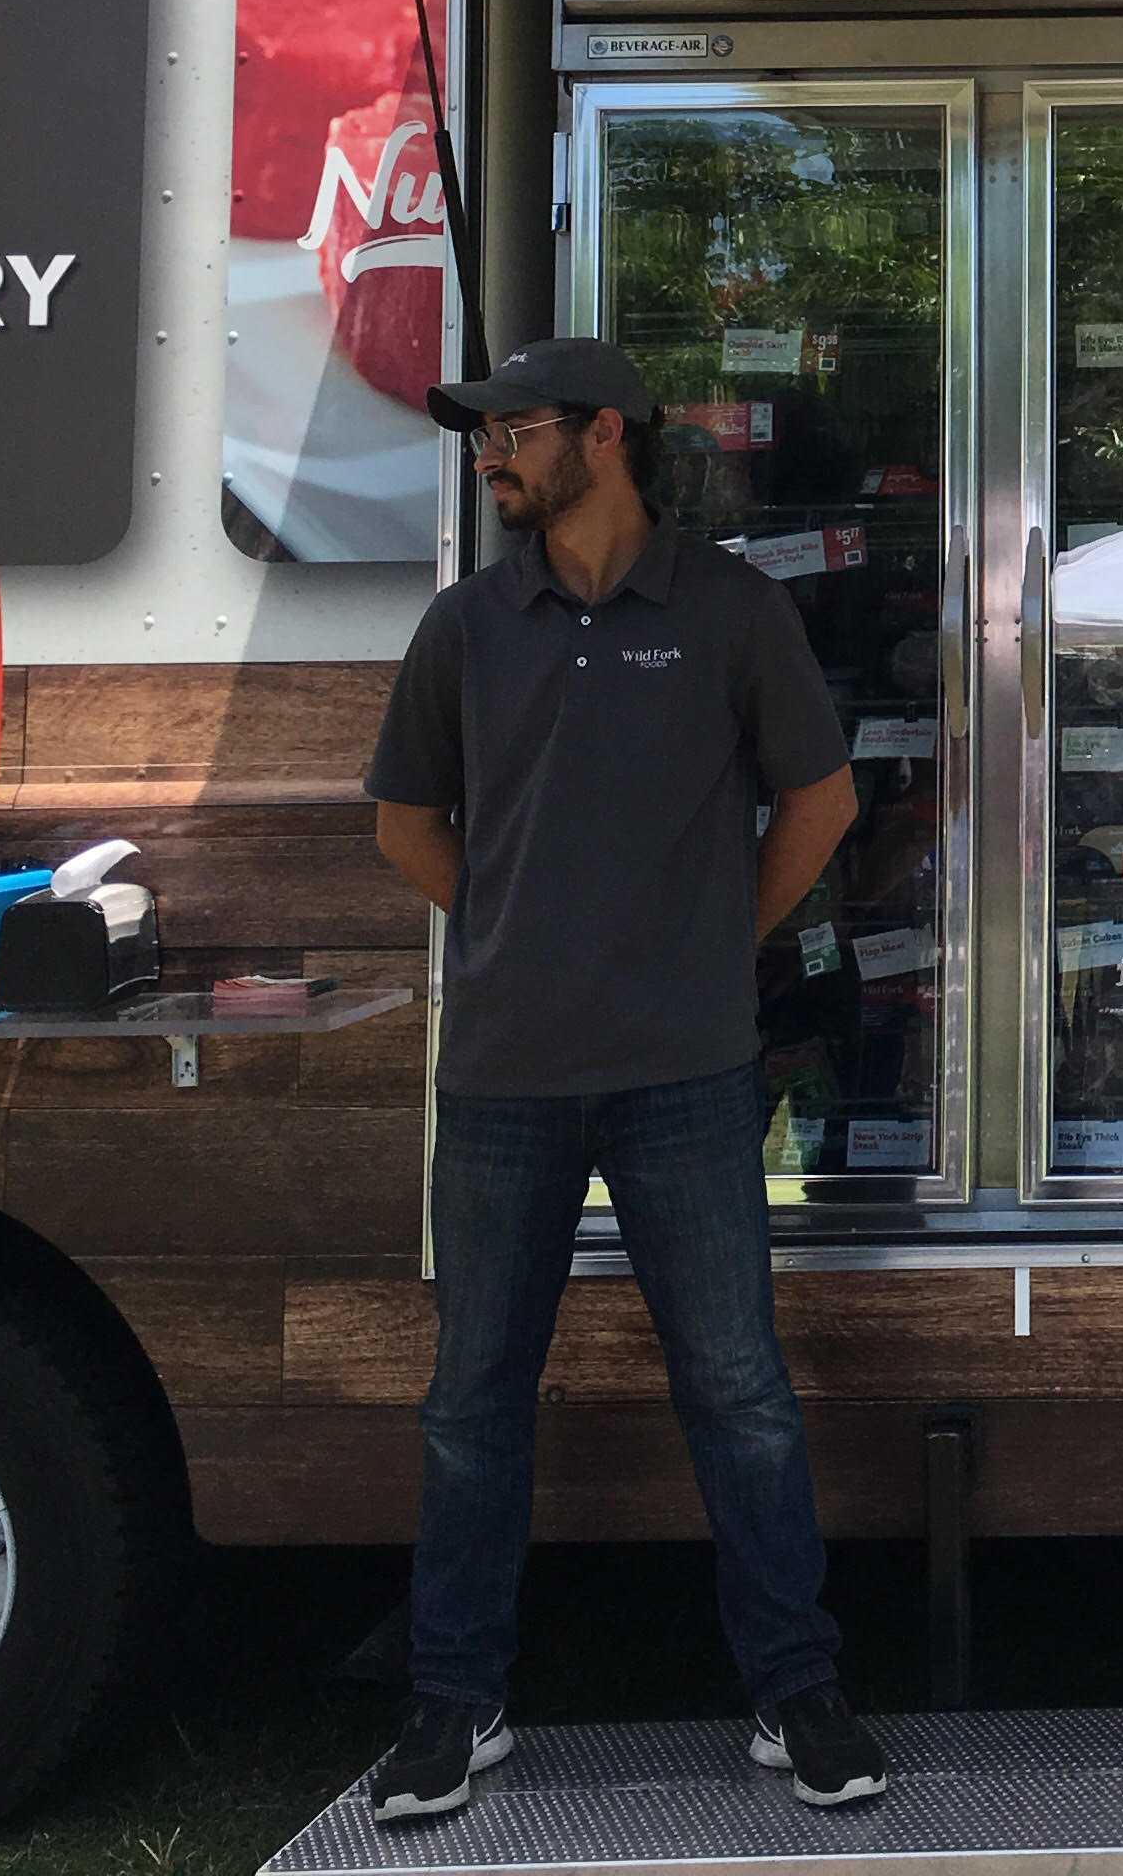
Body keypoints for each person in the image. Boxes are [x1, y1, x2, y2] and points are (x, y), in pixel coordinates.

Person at [358, 338, 887, 1824]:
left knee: (741, 1395)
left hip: (690, 1073)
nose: (490, 458)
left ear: (605, 436)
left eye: (514, 431)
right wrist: (529, 931)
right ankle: (456, 1707)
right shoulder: (468, 626)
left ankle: (797, 1695)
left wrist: (715, 939)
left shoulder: (729, 609)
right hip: (506, 1081)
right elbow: (406, 827)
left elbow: (826, 800)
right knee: (473, 1403)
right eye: (484, 437)